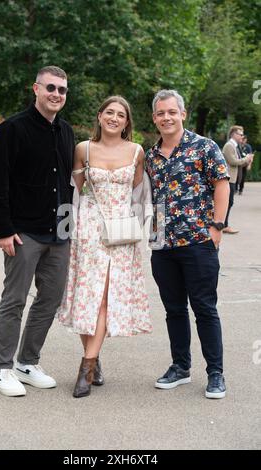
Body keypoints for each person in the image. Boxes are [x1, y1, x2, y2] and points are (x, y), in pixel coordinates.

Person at [0, 66, 74, 396]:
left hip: (59, 233)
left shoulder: (65, 132)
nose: (56, 94)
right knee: (14, 300)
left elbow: (68, 182)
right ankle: (2, 370)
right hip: (23, 233)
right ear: (35, 89)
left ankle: (27, 362)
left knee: (49, 301)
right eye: (50, 87)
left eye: (62, 90)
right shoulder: (12, 129)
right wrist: (3, 230)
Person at [58, 95, 153, 398]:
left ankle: (86, 368)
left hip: (121, 232)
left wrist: (143, 232)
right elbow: (74, 192)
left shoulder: (138, 151)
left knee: (104, 300)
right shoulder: (83, 149)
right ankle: (94, 360)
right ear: (99, 116)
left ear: (127, 122)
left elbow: (139, 196)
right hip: (88, 230)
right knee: (87, 297)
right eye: (109, 112)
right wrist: (67, 230)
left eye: (121, 115)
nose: (114, 118)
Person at [146, 89, 230, 399]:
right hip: (162, 246)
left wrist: (217, 226)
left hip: (198, 242)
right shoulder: (151, 156)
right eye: (160, 113)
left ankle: (216, 373)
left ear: (183, 114)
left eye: (171, 112)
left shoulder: (204, 147)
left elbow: (222, 184)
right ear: (154, 118)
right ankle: (180, 367)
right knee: (174, 309)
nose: (166, 117)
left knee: (205, 308)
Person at [222, 126, 253, 233]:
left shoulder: (234, 146)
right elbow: (233, 162)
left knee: (229, 202)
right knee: (228, 202)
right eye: (240, 134)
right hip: (229, 179)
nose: (242, 136)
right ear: (233, 134)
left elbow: (238, 162)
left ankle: (224, 224)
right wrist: (246, 158)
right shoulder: (229, 146)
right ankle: (224, 225)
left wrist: (246, 161)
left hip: (232, 179)